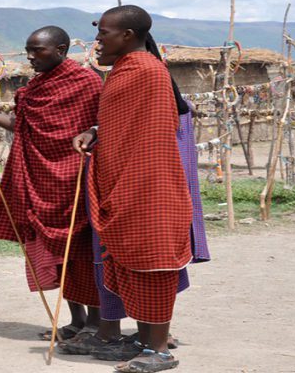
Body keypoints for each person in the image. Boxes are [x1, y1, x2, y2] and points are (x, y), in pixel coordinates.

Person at [63, 23, 210, 367]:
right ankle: (142, 342)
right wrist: (95, 132)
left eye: (104, 33)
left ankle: (158, 349)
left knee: (152, 263)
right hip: (127, 183)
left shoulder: (146, 71)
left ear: (128, 34)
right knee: (131, 262)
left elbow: (152, 130)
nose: (97, 41)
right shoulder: (126, 72)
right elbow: (124, 122)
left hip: (149, 184)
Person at [0, 26, 102, 342]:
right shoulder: (32, 90)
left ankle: (96, 323)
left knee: (81, 254)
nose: (30, 56)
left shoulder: (88, 83)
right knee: (55, 255)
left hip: (75, 180)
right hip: (39, 182)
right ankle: (76, 321)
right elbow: (19, 125)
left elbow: (98, 127)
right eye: (28, 50)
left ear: (61, 49)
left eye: (38, 50)